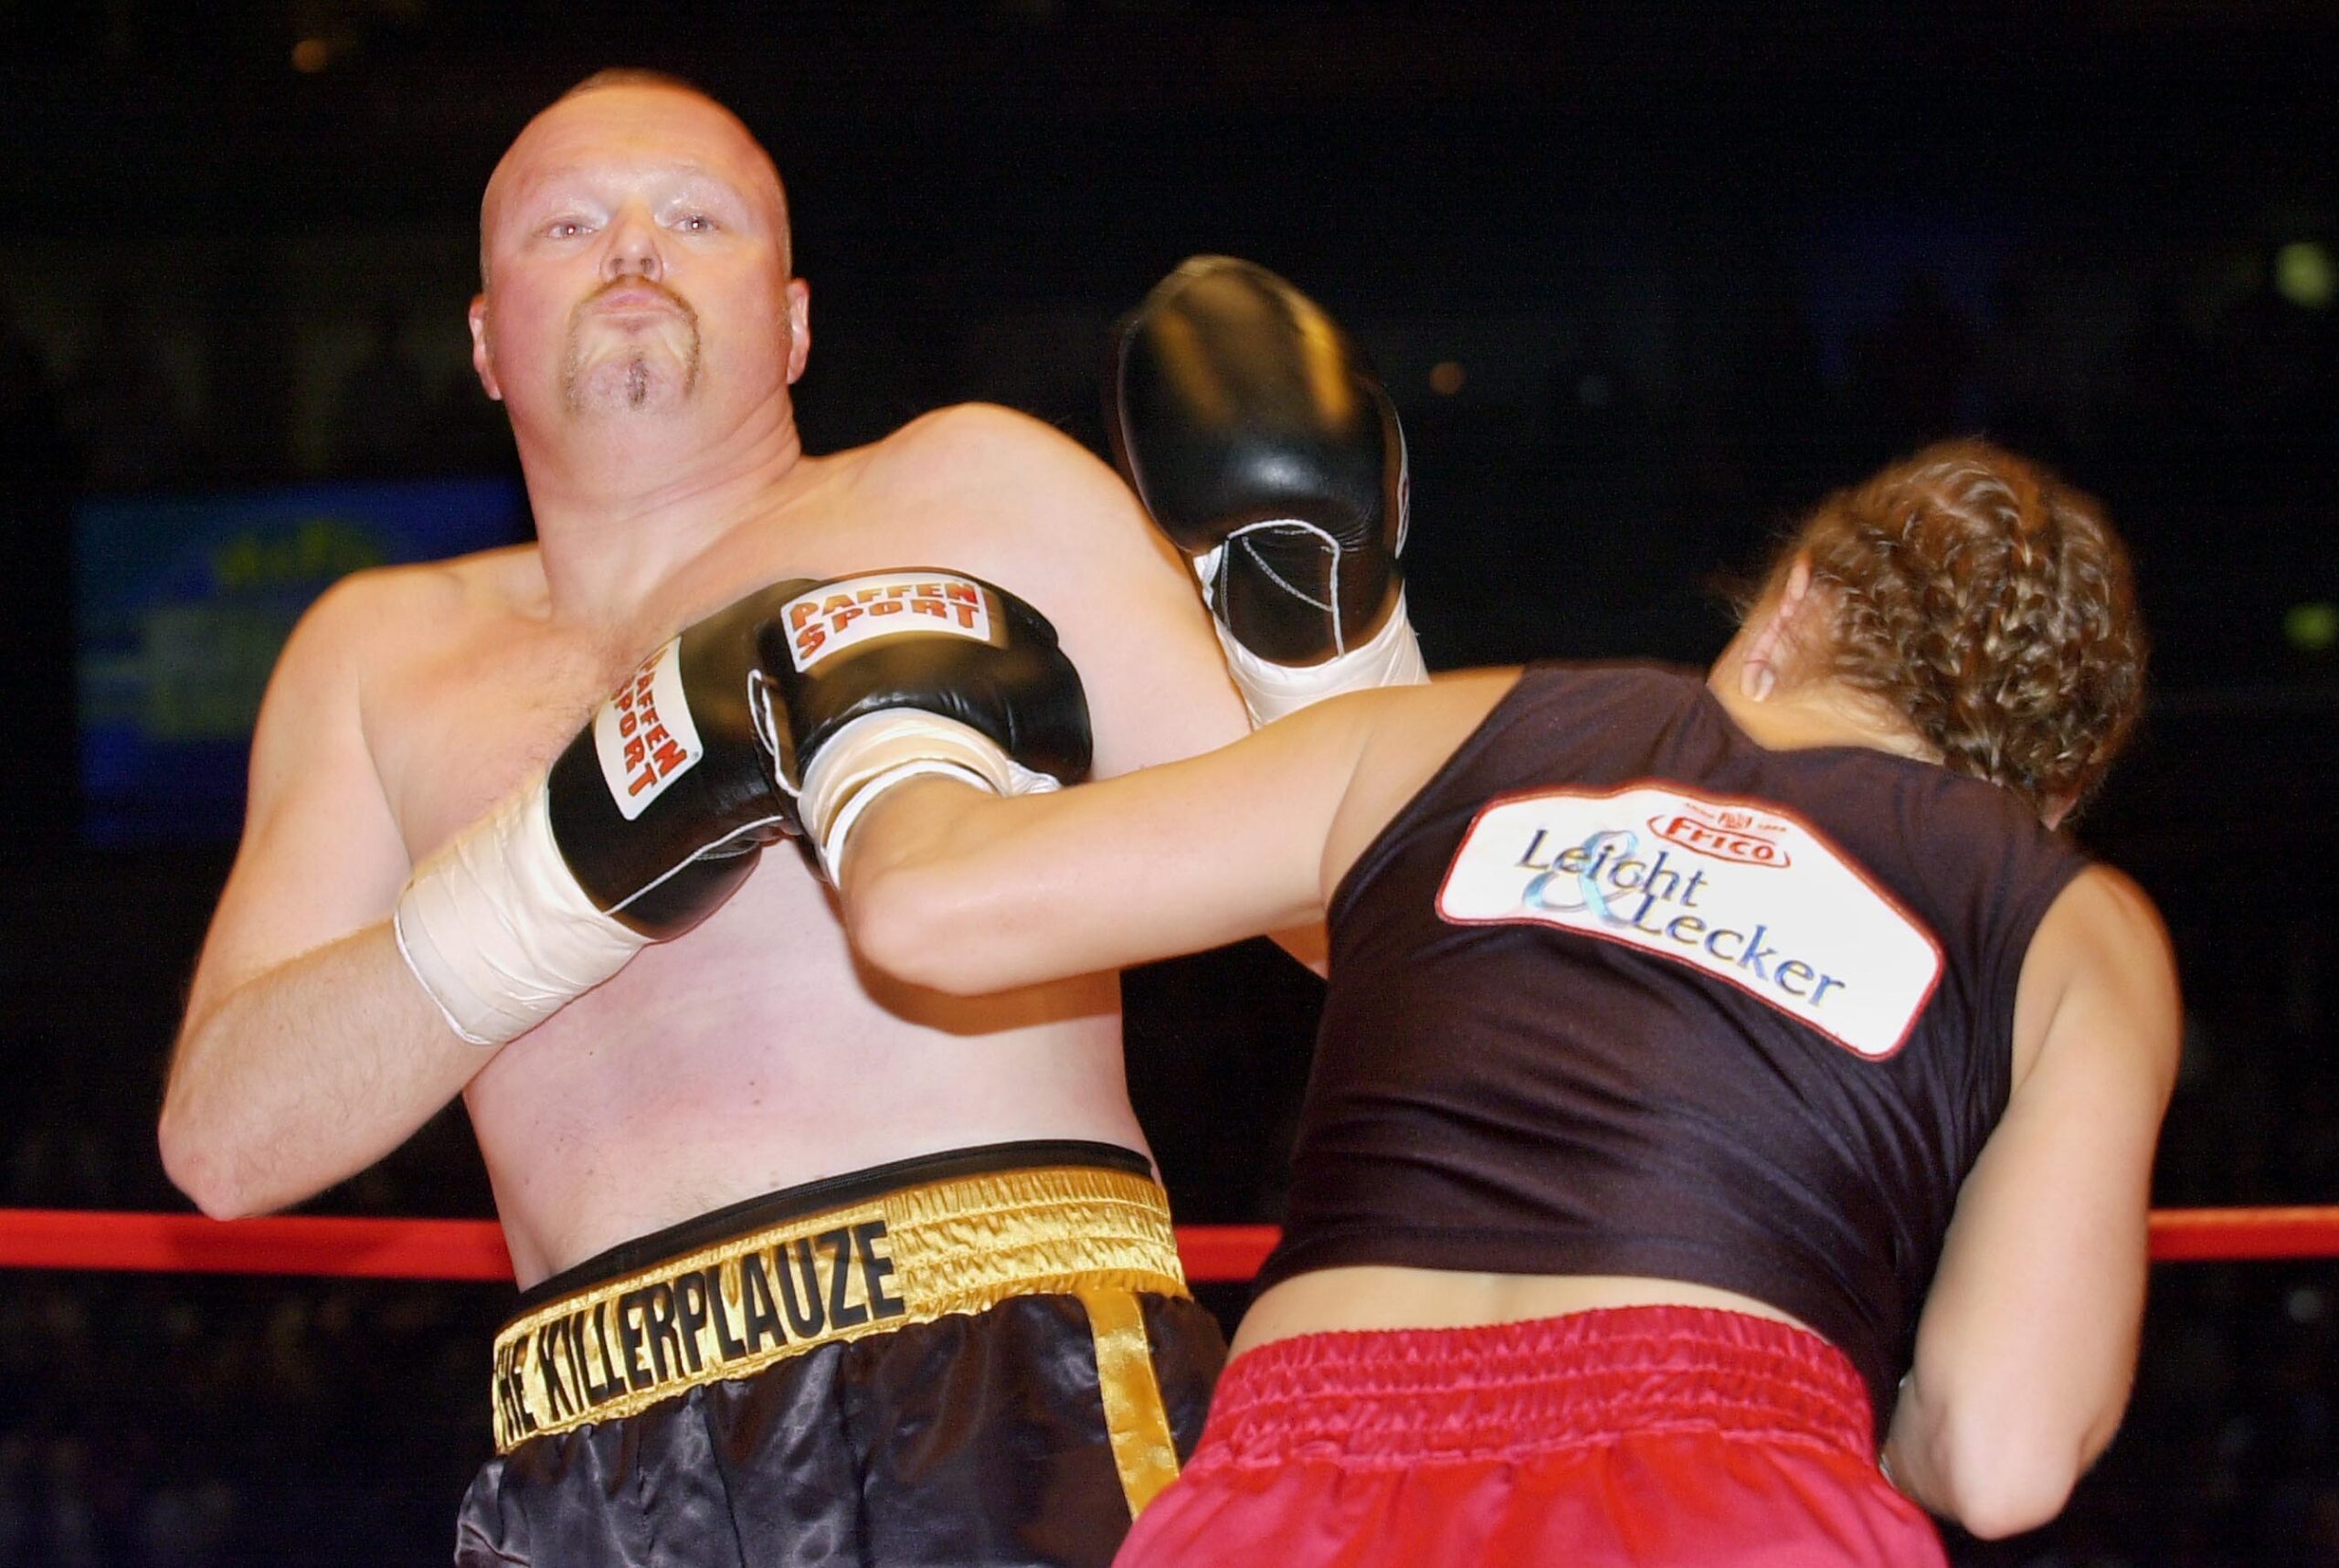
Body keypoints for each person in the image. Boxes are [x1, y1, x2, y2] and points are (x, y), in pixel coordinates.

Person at [156, 75, 1423, 1568]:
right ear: (485, 341)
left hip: (1004, 1389)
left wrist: (1330, 656)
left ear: (796, 322)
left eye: (698, 218)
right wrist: (566, 866)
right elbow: (225, 1144)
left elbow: (1369, 917)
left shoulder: (971, 489)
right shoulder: (377, 656)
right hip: (591, 1462)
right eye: (570, 225)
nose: (635, 249)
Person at [831, 437, 2182, 1563]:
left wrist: (869, 701)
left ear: (1788, 612)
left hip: (1298, 1478)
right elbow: (2000, 1455)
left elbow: (931, 908)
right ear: (2052, 797)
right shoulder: (2070, 921)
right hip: (1737, 1498)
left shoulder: (1443, 735)